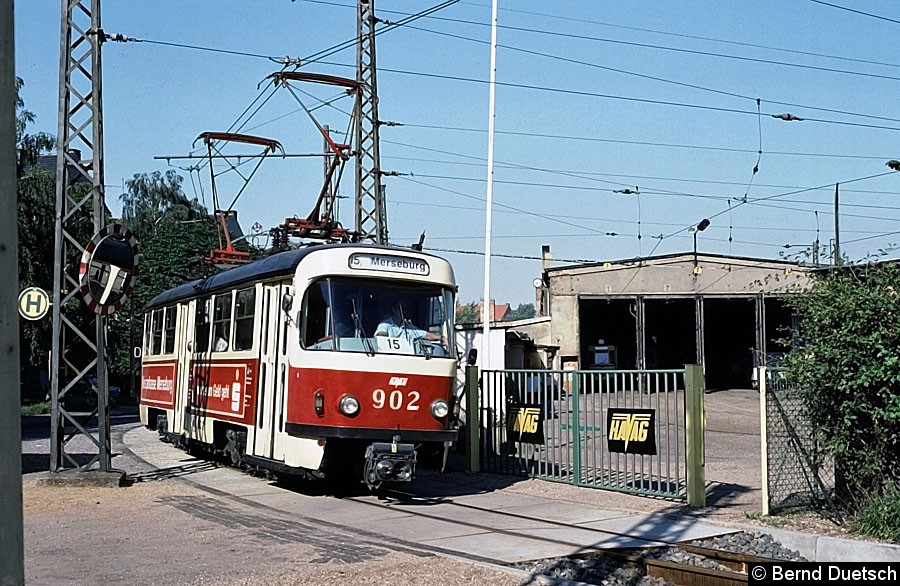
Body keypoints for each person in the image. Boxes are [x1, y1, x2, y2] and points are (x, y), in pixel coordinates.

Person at [375, 300, 441, 342]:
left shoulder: (409, 326)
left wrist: (442, 338)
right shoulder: (385, 324)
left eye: (405, 309)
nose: (404, 312)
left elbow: (426, 335)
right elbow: (381, 336)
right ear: (393, 310)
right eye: (401, 308)